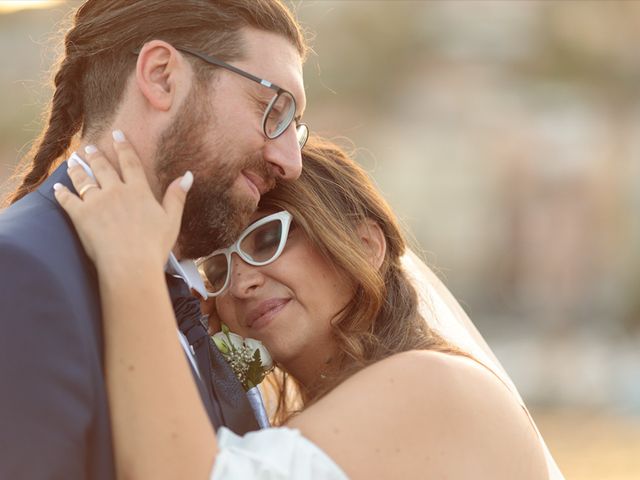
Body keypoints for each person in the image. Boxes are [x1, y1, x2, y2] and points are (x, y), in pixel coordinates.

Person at [54, 135, 555, 479]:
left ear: (364, 245)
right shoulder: (321, 413)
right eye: (217, 270)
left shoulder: (430, 382)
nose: (241, 284)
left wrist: (132, 266)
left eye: (266, 238)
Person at [0, 1, 308, 478]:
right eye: (272, 109)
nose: (292, 162)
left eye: (295, 127)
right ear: (162, 76)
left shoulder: (192, 300)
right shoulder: (20, 272)